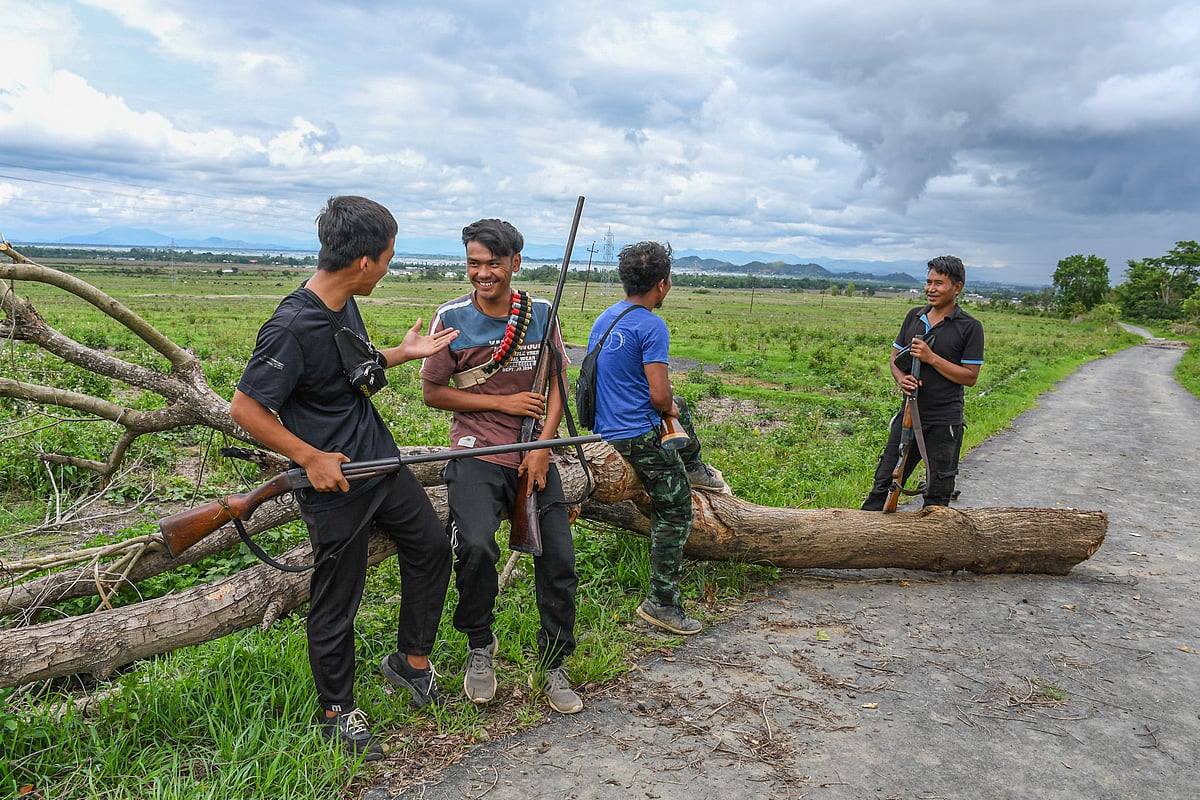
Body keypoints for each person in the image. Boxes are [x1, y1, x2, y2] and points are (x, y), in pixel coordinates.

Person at [229, 195, 457, 762]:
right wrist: (309, 457)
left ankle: (410, 663)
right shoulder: (290, 324)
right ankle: (338, 710)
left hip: (379, 461)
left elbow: (344, 370)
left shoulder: (343, 304)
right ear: (363, 262)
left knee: (431, 548)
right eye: (388, 258)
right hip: (335, 484)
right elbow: (246, 408)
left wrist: (402, 354)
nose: (388, 268)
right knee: (338, 597)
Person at [419, 218, 583, 715]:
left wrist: (541, 448)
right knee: (473, 547)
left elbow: (557, 383)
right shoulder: (451, 317)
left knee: (558, 559)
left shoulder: (542, 312)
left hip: (533, 454)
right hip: (475, 451)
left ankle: (554, 663)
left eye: (493, 263)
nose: (482, 273)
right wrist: (508, 406)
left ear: (515, 263)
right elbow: (432, 393)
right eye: (474, 262)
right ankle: (479, 645)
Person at [586, 241, 725, 637]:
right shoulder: (651, 325)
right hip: (636, 437)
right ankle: (661, 602)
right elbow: (660, 396)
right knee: (677, 509)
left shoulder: (606, 317)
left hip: (605, 429)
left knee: (679, 405)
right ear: (662, 285)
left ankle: (694, 467)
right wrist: (668, 412)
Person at [861, 255, 985, 511]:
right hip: (908, 414)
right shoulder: (914, 316)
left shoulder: (970, 327)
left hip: (944, 421)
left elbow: (970, 377)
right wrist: (901, 379)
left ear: (957, 287)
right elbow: (896, 358)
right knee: (883, 483)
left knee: (938, 494)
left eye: (938, 283)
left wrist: (931, 358)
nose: (930, 289)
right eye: (928, 282)